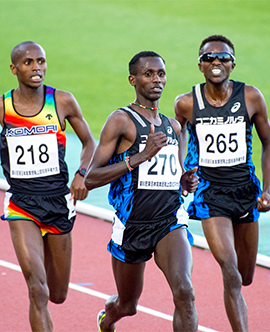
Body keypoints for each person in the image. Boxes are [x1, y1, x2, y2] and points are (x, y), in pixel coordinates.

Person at [0, 41, 96, 331]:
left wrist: (81, 173)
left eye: (41, 61)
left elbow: (90, 141)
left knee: (57, 294)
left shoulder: (62, 102)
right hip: (21, 203)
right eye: (28, 62)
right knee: (37, 289)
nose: (36, 67)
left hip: (58, 201)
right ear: (14, 69)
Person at [85, 51, 199, 332]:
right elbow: (91, 178)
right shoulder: (121, 120)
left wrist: (183, 182)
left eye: (161, 73)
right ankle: (107, 318)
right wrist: (137, 157)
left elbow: (173, 174)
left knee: (185, 291)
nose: (156, 79)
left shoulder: (173, 126)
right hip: (132, 225)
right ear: (132, 79)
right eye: (148, 74)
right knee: (128, 305)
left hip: (169, 221)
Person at [174, 35, 270, 331]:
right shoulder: (186, 103)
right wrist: (182, 171)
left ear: (233, 63)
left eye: (222, 57)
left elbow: (268, 143)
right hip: (210, 194)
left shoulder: (251, 97)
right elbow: (178, 137)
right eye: (209, 58)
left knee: (245, 275)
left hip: (245, 191)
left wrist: (266, 190)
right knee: (230, 272)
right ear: (200, 65)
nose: (216, 62)